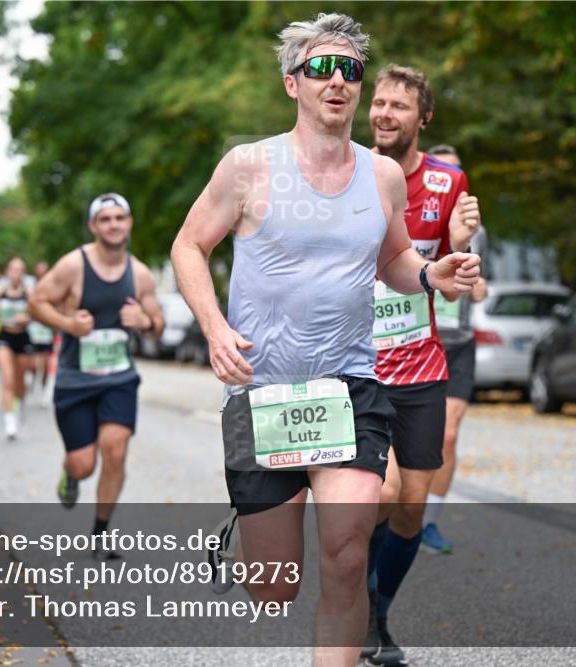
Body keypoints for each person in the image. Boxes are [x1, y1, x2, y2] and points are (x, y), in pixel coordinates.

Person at [170, 15, 480, 665]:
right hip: (266, 391)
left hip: (350, 386)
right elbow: (188, 245)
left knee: (344, 557)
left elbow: (392, 259)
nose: (337, 79)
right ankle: (246, 532)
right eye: (321, 68)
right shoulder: (249, 166)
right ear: (293, 83)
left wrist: (430, 273)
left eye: (350, 69)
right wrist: (215, 326)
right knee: (274, 584)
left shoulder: (381, 177)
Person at [362, 65, 483, 666]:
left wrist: (461, 247)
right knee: (378, 494)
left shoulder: (448, 181)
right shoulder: (349, 173)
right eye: (378, 103)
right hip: (358, 366)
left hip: (422, 365)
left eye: (398, 106)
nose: (383, 114)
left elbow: (457, 292)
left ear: (423, 118)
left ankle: (377, 613)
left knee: (411, 505)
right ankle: (353, 603)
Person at [28, 193, 164, 558]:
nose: (114, 224)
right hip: (75, 380)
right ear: (93, 226)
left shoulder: (140, 274)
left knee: (115, 452)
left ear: (129, 222)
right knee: (85, 464)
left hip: (119, 378)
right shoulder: (74, 265)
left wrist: (146, 322)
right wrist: (68, 324)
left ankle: (100, 534)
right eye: (105, 219)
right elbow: (36, 302)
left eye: (120, 217)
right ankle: (69, 471)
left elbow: (158, 326)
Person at [422, 144, 489, 554]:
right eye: (442, 171)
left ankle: (428, 523)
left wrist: (472, 275)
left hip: (459, 343)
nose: (450, 179)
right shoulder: (414, 218)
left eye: (457, 172)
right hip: (417, 339)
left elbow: (481, 289)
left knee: (446, 435)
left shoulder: (477, 229)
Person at [0, 257, 36, 440]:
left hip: (22, 337)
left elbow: (38, 311)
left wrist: (28, 317)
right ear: (7, 272)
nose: (16, 273)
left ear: (24, 273)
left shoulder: (29, 292)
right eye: (13, 269)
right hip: (4, 336)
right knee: (8, 380)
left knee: (20, 382)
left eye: (20, 270)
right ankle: (9, 421)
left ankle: (20, 402)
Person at [28, 261, 56, 403]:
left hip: (46, 331)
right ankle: (33, 382)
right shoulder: (30, 288)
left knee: (45, 365)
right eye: (39, 271)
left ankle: (44, 389)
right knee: (33, 364)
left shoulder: (54, 288)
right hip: (32, 330)